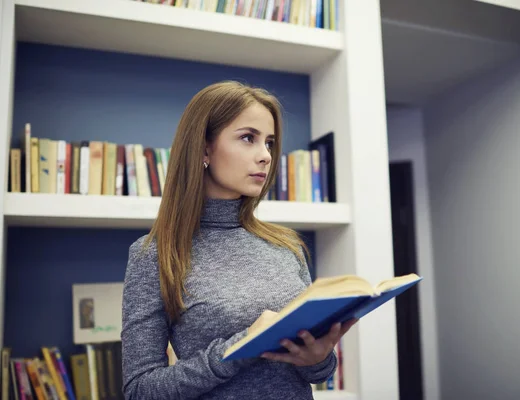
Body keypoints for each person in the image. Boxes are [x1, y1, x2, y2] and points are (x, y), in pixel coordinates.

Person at [120, 80, 357, 399]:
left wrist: (317, 359)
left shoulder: (286, 245)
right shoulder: (154, 254)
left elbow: (318, 372)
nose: (265, 156)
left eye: (270, 143)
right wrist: (235, 352)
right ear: (204, 148)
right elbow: (140, 389)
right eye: (248, 138)